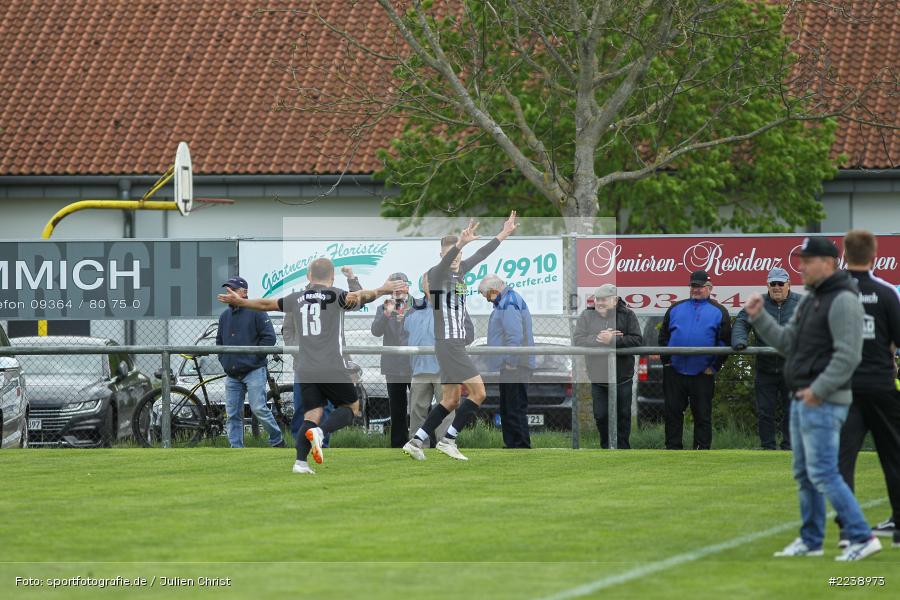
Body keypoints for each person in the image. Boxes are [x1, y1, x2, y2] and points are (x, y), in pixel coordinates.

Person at [746, 236, 880, 561]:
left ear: (829, 263)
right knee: (805, 474)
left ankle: (862, 536)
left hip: (824, 400)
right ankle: (811, 540)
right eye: (801, 259)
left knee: (822, 472)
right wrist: (760, 317)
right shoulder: (811, 300)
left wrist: (818, 391)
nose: (801, 265)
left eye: (808, 260)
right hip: (802, 398)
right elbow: (787, 343)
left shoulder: (845, 300)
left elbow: (849, 355)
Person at [218, 258, 402, 474]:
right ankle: (322, 433)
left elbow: (266, 304)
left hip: (305, 367)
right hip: (332, 366)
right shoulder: (336, 295)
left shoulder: (297, 298)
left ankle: (300, 462)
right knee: (351, 407)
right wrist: (382, 289)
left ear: (308, 276)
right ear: (332, 277)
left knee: (311, 415)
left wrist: (241, 302)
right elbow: (361, 296)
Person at [403, 211, 518, 461]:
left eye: (458, 255)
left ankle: (416, 441)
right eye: (450, 254)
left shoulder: (461, 271)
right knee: (479, 394)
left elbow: (482, 253)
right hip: (449, 344)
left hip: (451, 345)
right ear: (443, 255)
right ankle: (448, 440)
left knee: (452, 400)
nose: (455, 259)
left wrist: (503, 234)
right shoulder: (436, 274)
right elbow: (447, 262)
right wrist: (459, 244)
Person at [836, 229, 900, 549]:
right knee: (894, 455)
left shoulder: (832, 293)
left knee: (843, 459)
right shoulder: (887, 293)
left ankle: (848, 530)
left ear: (844, 254)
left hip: (846, 388)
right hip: (881, 385)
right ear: (874, 254)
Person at [283, 266, 361, 444]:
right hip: (303, 366)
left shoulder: (335, 298)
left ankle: (321, 443)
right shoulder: (296, 299)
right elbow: (287, 331)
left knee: (325, 410)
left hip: (331, 365)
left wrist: (351, 279)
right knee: (302, 409)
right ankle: (300, 447)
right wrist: (303, 352)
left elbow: (358, 300)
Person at [658, 269, 731, 450]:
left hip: (702, 373)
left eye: (700, 286)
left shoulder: (719, 311)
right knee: (673, 413)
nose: (696, 289)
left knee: (702, 415)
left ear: (709, 287)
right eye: (693, 286)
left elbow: (724, 342)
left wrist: (713, 367)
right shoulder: (675, 308)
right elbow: (663, 337)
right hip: (674, 372)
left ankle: (701, 451)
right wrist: (667, 363)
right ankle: (673, 450)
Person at [732, 267, 800, 450]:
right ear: (767, 285)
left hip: (792, 369)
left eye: (780, 283)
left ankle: (789, 447)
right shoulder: (757, 303)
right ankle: (767, 447)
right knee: (764, 412)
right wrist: (740, 341)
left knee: (792, 411)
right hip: (765, 369)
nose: (777, 287)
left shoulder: (801, 303)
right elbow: (741, 322)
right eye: (773, 283)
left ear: (789, 284)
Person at [215, 276, 284, 448]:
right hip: (232, 374)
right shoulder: (224, 316)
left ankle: (277, 440)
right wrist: (225, 361)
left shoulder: (257, 311)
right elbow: (219, 343)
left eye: (233, 289)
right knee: (232, 414)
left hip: (254, 371)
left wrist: (253, 359)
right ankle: (236, 448)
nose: (228, 292)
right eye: (227, 289)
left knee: (259, 408)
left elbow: (269, 338)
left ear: (244, 292)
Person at [573, 284, 642, 449]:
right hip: (598, 377)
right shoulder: (587, 315)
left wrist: (613, 340)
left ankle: (623, 449)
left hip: (622, 377)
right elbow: (578, 339)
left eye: (603, 300)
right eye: (597, 299)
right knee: (601, 415)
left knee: (623, 415)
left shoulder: (627, 315)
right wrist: (598, 339)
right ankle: (606, 447)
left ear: (615, 300)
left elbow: (637, 340)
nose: (599, 303)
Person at [403, 275, 462, 447]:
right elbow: (404, 333)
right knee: (416, 411)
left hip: (443, 369)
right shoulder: (413, 309)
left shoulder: (449, 305)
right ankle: (417, 445)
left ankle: (445, 444)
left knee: (446, 409)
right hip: (419, 369)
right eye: (426, 281)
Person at [479, 274, 535, 449]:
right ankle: (513, 443)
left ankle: (519, 444)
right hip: (513, 363)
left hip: (514, 365)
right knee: (510, 405)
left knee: (514, 405)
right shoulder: (507, 301)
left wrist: (511, 361)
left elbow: (514, 335)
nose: (486, 300)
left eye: (485, 295)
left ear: (493, 291)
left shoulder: (508, 303)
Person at [371, 272, 413, 448]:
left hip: (414, 364)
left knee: (420, 405)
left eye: (400, 286)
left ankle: (425, 441)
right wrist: (387, 313)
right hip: (393, 366)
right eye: (394, 287)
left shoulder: (418, 305)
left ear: (407, 286)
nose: (397, 290)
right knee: (397, 408)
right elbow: (376, 331)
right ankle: (398, 444)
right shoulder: (383, 308)